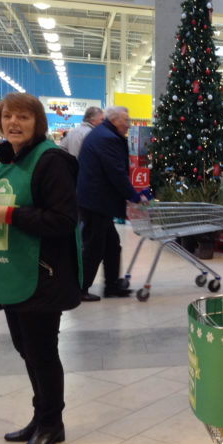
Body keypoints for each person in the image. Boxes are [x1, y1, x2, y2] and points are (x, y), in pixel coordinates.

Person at [0, 92, 81, 444]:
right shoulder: (8, 160)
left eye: (23, 117)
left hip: (43, 273)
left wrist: (9, 216)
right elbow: (7, 211)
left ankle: (52, 425)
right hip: (14, 268)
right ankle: (40, 417)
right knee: (26, 350)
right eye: (7, 116)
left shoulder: (51, 162)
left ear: (38, 123)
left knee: (42, 352)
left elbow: (63, 221)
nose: (13, 123)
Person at [77, 105, 149, 301]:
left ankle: (112, 286)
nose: (128, 125)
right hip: (95, 202)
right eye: (126, 121)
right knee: (93, 247)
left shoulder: (103, 134)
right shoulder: (107, 138)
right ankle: (79, 289)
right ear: (114, 120)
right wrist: (134, 196)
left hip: (96, 201)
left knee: (111, 246)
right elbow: (116, 173)